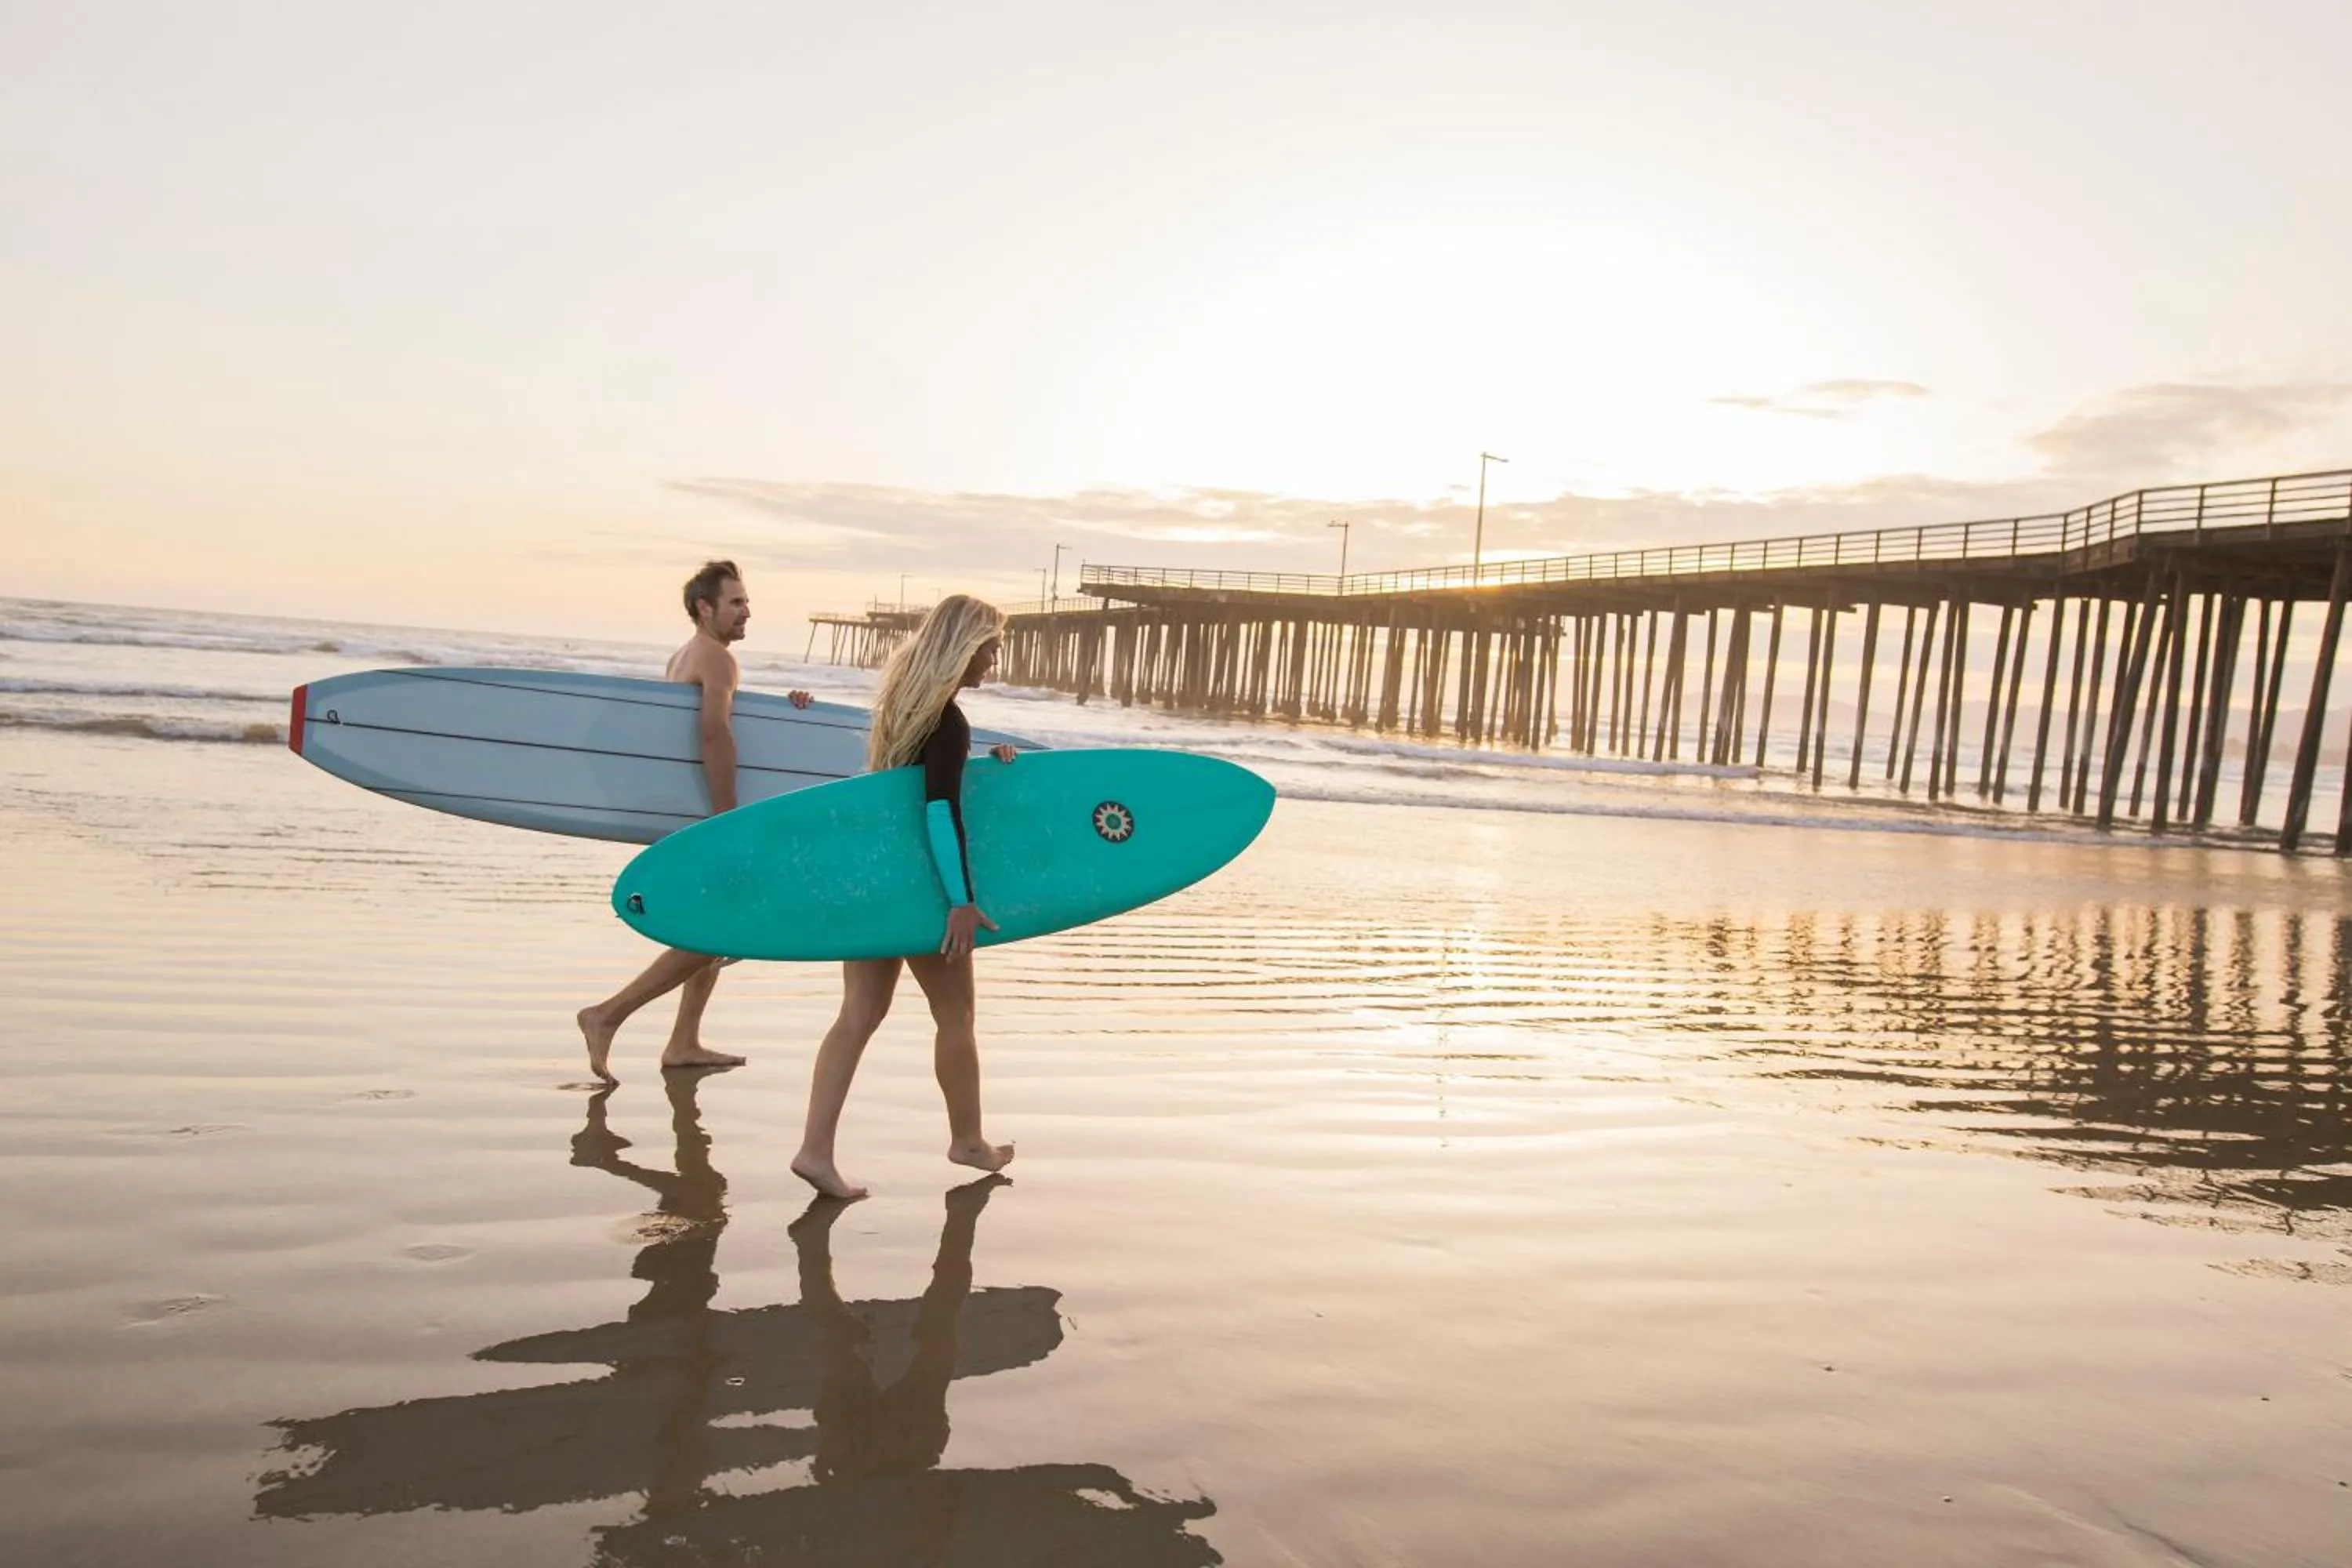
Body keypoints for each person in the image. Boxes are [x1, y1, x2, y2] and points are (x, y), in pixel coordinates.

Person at [790, 595, 1018, 1199]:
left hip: (877, 882)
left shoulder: (904, 709)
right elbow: (940, 810)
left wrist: (996, 769)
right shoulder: (949, 721)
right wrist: (960, 901)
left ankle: (815, 1151)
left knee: (858, 1015)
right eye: (990, 647)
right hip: (924, 891)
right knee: (956, 1016)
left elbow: (920, 789)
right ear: (964, 646)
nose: (995, 660)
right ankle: (968, 1140)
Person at [577, 561, 809, 1083]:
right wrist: (726, 817)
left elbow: (708, 728)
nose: (747, 611)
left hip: (686, 812)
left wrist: (793, 713)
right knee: (719, 928)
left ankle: (684, 1041)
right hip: (709, 812)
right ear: (705, 608)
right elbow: (713, 735)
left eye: (747, 601)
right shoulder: (718, 659)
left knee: (716, 921)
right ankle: (607, 1014)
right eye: (736, 602)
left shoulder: (685, 656)